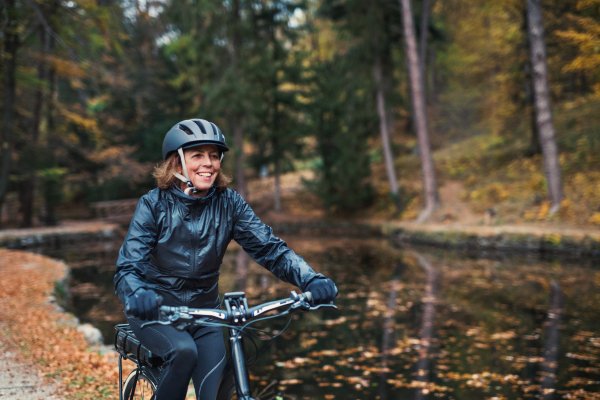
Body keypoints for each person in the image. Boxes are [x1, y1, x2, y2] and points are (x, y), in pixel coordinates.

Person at [114, 118, 337, 400]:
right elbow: (128, 268)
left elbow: (271, 250)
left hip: (207, 314)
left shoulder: (229, 203)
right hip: (156, 312)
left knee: (215, 392)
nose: (209, 163)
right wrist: (139, 294)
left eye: (214, 155)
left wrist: (311, 279)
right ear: (177, 162)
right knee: (183, 352)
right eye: (198, 155)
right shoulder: (153, 205)